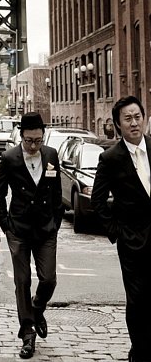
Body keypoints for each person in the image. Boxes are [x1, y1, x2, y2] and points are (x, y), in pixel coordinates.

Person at [0, 112, 63, 359]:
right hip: (19, 229)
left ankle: (37, 308)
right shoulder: (9, 158)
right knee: (22, 281)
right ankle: (27, 333)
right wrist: (5, 223)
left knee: (49, 279)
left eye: (38, 140)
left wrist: (56, 221)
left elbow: (57, 192)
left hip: (46, 228)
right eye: (29, 141)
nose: (33, 146)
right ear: (20, 136)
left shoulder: (51, 155)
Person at [91, 96, 151, 362]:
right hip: (132, 243)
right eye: (128, 118)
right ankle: (139, 351)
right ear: (118, 124)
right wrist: (117, 232)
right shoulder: (110, 158)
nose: (134, 123)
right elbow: (98, 201)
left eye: (137, 116)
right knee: (137, 299)